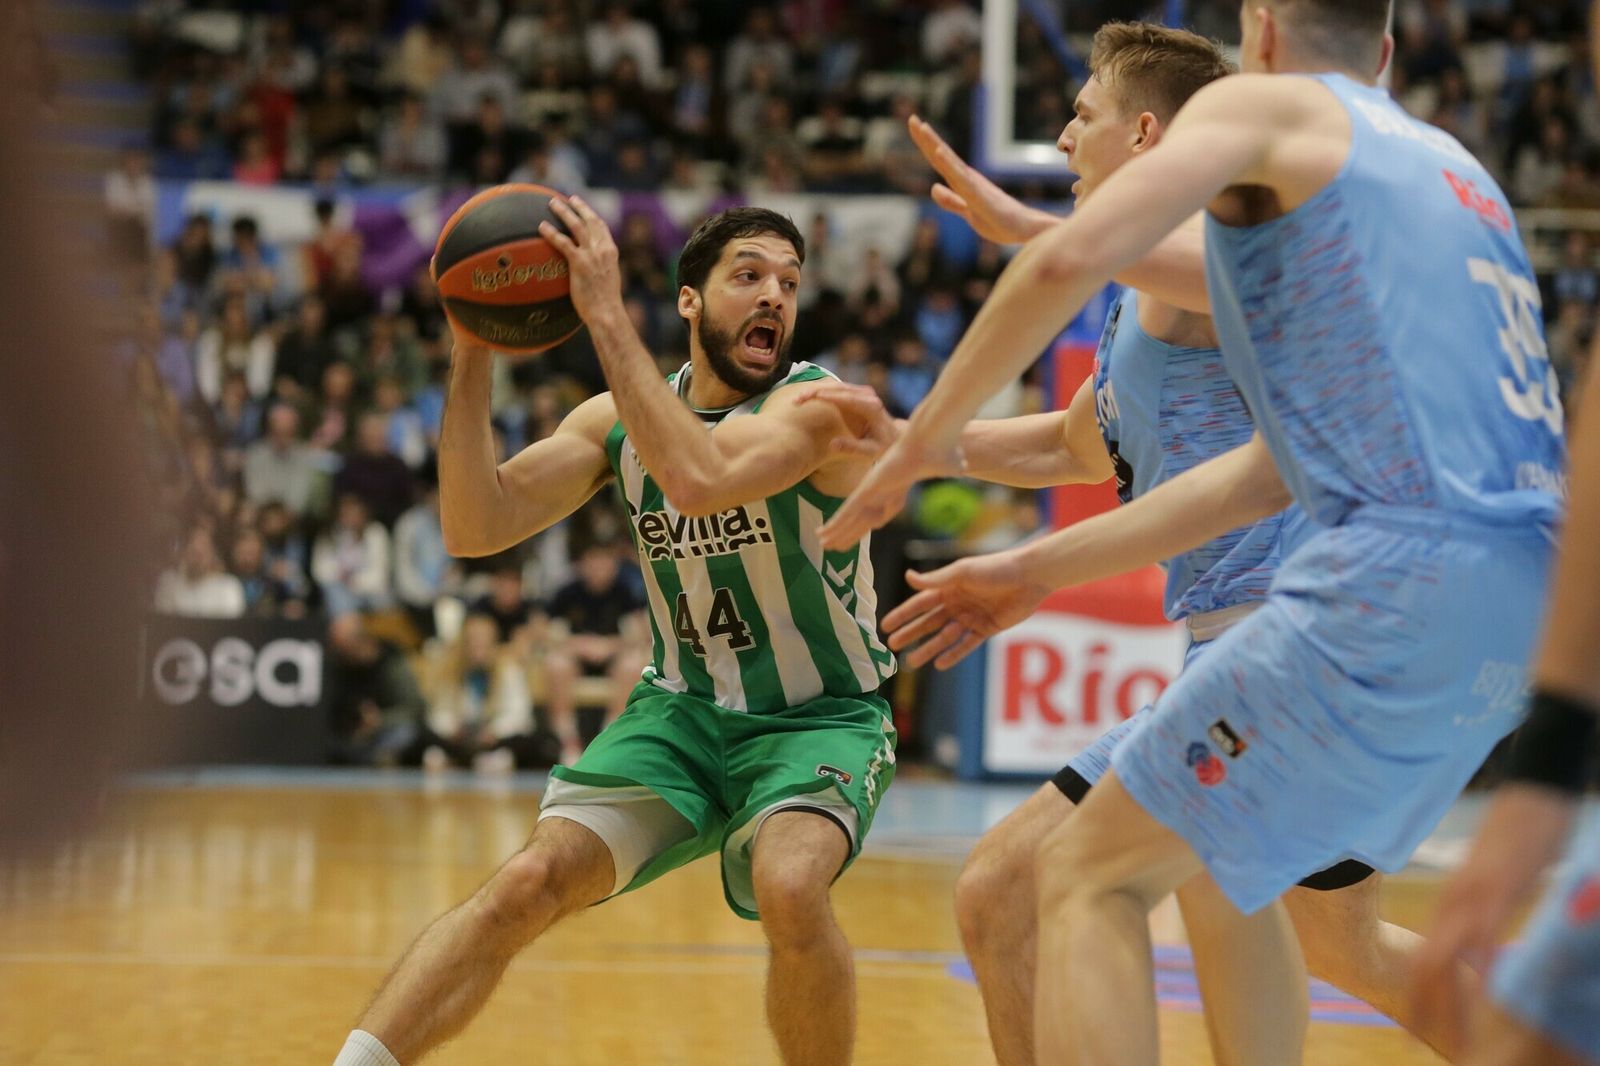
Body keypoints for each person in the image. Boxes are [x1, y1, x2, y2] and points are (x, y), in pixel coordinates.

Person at [818, 2, 1566, 1063]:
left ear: (1258, 31)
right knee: (1267, 906)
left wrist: (915, 446)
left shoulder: (1272, 136)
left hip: (1331, 597)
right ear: (1387, 50)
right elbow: (1113, 446)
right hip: (1508, 599)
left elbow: (1067, 269)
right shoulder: (1442, 178)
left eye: (1081, 113)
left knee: (1058, 877)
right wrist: (924, 445)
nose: (1064, 135)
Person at [330, 204, 895, 1066]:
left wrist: (601, 311)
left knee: (789, 885)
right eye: (749, 276)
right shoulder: (614, 423)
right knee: (526, 883)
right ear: (690, 303)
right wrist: (473, 347)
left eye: (789, 281)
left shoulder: (817, 409)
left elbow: (701, 474)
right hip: (679, 715)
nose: (775, 296)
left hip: (815, 718)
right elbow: (473, 524)